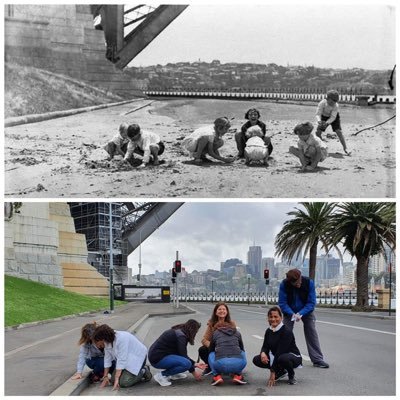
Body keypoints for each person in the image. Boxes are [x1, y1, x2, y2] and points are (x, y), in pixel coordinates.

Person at [278, 268, 329, 369]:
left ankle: (317, 359)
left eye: (300, 280)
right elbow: (282, 303)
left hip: (306, 310)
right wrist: (292, 313)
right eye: (296, 283)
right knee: (285, 332)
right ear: (290, 282)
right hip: (290, 311)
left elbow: (311, 302)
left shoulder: (309, 283)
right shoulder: (284, 284)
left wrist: (301, 313)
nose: (299, 283)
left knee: (311, 331)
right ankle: (281, 358)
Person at [252, 306, 302, 386]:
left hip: (292, 356)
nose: (273, 319)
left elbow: (280, 351)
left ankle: (291, 375)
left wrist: (272, 371)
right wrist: (263, 353)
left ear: (281, 317)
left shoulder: (286, 331)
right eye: (270, 317)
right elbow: (265, 346)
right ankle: (281, 371)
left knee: (283, 358)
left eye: (276, 316)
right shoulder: (269, 331)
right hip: (277, 356)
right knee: (257, 359)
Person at [92, 324, 152, 390]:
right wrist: (105, 376)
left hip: (138, 358)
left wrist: (117, 378)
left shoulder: (121, 338)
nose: (96, 344)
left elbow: (121, 359)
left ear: (103, 338)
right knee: (112, 380)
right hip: (126, 359)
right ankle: (135, 373)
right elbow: (107, 359)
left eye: (97, 341)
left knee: (124, 383)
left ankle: (143, 371)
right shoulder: (107, 342)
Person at [148, 319, 205, 386]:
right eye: (196, 331)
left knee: (185, 361)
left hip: (156, 356)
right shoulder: (181, 336)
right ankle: (161, 375)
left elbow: (180, 353)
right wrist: (194, 371)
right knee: (186, 364)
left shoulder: (179, 331)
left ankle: (173, 374)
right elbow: (184, 356)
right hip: (157, 359)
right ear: (192, 330)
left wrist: (195, 364)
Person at [198, 302, 236, 376]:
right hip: (215, 348)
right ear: (216, 312)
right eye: (219, 309)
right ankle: (209, 367)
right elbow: (204, 340)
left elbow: (235, 338)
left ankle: (232, 368)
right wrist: (213, 347)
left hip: (228, 348)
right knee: (202, 349)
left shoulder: (232, 324)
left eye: (224, 309)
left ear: (227, 312)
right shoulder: (211, 324)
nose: (222, 311)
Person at [208, 321, 247, 386]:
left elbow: (211, 349)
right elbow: (242, 348)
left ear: (217, 328)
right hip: (239, 365)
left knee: (211, 353)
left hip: (220, 365)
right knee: (242, 351)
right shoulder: (237, 333)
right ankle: (238, 375)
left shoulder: (215, 333)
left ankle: (216, 376)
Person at [315, 89, 350, 155]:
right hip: (323, 116)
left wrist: (327, 123)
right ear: (327, 98)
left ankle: (345, 148)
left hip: (334, 117)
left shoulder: (336, 106)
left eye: (335, 101)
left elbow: (333, 117)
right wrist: (319, 121)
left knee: (338, 131)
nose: (333, 103)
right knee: (318, 132)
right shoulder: (322, 103)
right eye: (331, 101)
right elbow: (318, 114)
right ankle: (322, 147)